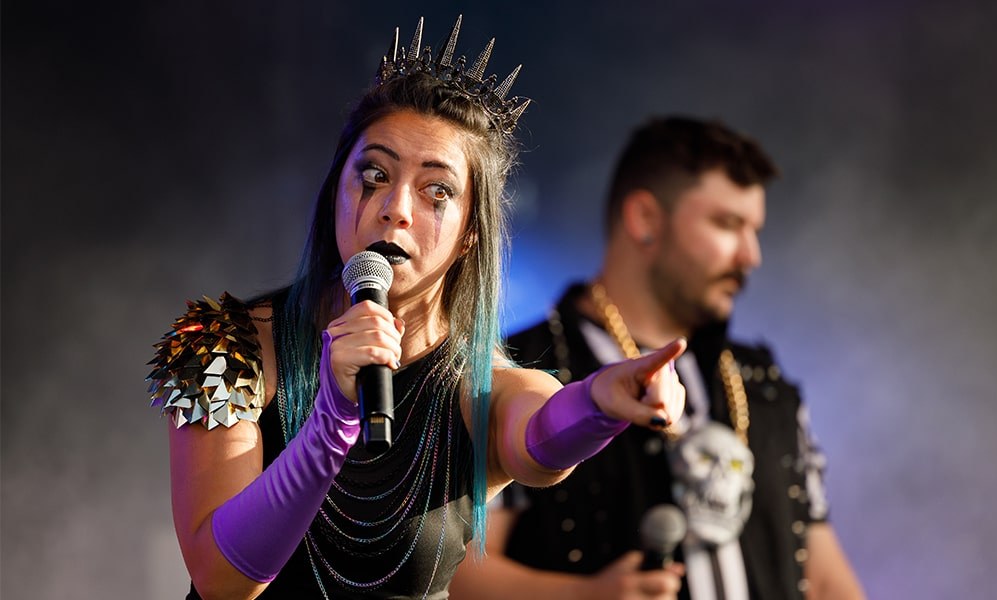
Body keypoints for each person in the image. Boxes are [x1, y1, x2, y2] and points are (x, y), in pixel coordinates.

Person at [147, 18, 687, 600]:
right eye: (374, 175)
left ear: (469, 234)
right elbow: (220, 580)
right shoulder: (231, 345)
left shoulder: (482, 388)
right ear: (337, 189)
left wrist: (602, 403)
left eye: (437, 192)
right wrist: (330, 423)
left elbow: (541, 436)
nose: (396, 208)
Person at [450, 117, 865, 600]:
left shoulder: (763, 381)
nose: (750, 255)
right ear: (645, 218)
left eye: (754, 230)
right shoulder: (516, 368)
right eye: (727, 224)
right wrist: (581, 598)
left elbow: (825, 576)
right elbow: (451, 573)